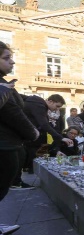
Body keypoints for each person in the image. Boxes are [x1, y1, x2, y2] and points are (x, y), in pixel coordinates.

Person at [0, 41, 40, 202]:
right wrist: (33, 133)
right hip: (5, 145)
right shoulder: (2, 85)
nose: (12, 61)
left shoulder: (4, 83)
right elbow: (13, 113)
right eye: (6, 57)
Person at [22, 94, 74, 178]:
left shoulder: (38, 104)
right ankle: (16, 182)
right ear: (50, 101)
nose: (57, 109)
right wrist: (61, 138)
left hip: (36, 138)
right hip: (29, 137)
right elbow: (44, 125)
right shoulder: (39, 106)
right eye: (57, 106)